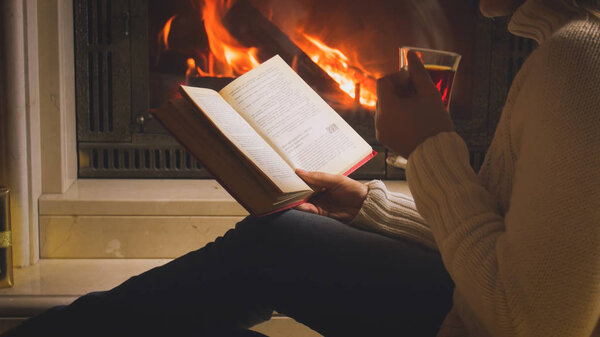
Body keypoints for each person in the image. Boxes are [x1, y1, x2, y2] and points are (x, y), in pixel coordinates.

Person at [4, 0, 600, 336]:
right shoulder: (570, 49)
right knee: (280, 236)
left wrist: (428, 150)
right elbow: (525, 251)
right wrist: (372, 208)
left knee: (258, 259)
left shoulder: (581, 59)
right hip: (470, 301)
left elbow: (534, 319)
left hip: (469, 322)